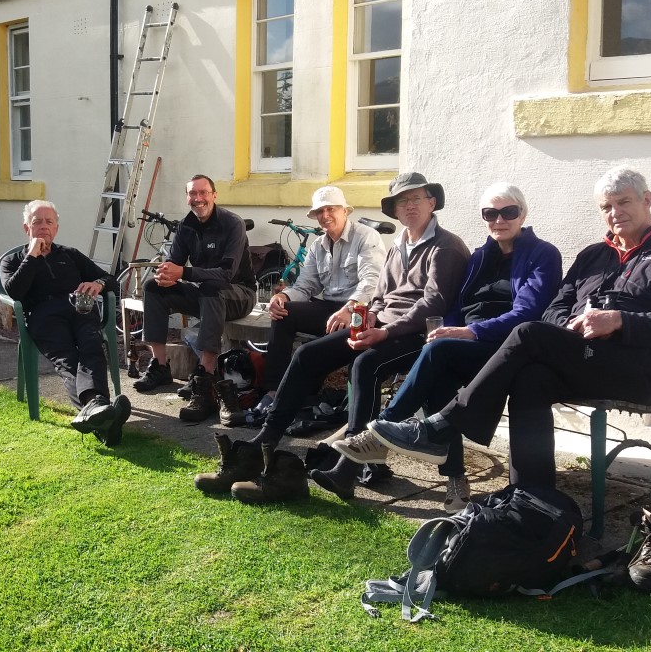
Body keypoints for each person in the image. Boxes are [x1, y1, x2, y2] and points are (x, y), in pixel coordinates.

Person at [363, 167, 651, 489]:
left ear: (646, 200)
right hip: (583, 355)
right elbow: (555, 308)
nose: (615, 212)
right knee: (530, 379)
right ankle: (529, 494)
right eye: (606, 206)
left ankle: (440, 426)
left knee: (527, 332)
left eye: (624, 202)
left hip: (638, 369)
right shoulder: (592, 256)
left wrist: (618, 320)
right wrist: (572, 326)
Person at [196, 172, 469, 502]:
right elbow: (381, 293)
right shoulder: (399, 243)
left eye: (416, 199)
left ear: (432, 202)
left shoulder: (446, 246)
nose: (409, 206)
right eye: (402, 201)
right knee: (306, 355)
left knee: (364, 365)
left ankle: (348, 466)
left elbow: (432, 303)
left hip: (415, 335)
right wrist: (366, 318)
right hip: (377, 324)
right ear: (395, 210)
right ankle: (261, 444)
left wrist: (379, 329)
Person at [318, 183, 562, 509]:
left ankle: (375, 439)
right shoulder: (479, 257)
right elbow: (456, 306)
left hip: (508, 348)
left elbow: (526, 313)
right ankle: (455, 478)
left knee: (438, 353)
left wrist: (469, 332)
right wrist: (447, 329)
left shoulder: (542, 254)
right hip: (468, 343)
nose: (499, 219)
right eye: (491, 213)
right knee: (440, 375)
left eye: (508, 212)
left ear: (523, 214)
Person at [0, 200, 131, 446]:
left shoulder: (69, 255)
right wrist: (32, 256)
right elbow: (15, 292)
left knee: (92, 346)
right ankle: (103, 415)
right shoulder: (14, 261)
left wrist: (98, 284)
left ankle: (98, 415)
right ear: (26, 228)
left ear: (56, 228)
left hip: (79, 311)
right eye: (37, 222)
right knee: (68, 359)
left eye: (49, 222)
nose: (43, 227)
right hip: (43, 318)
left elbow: (110, 279)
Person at [132, 174, 256, 424]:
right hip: (204, 294)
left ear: (214, 195)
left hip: (239, 293)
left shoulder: (233, 224)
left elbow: (226, 274)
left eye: (203, 193)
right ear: (187, 197)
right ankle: (160, 366)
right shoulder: (185, 226)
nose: (198, 199)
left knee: (212, 287)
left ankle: (205, 375)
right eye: (192, 194)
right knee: (152, 287)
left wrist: (184, 273)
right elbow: (175, 264)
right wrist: (166, 275)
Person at [257, 186, 385, 409]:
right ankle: (275, 390)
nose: (325, 216)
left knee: (325, 346)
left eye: (331, 209)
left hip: (360, 311)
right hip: (330, 309)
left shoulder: (366, 237)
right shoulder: (318, 245)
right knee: (283, 314)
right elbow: (306, 284)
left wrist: (350, 308)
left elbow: (371, 283)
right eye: (320, 211)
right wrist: (284, 297)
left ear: (345, 211)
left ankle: (350, 403)